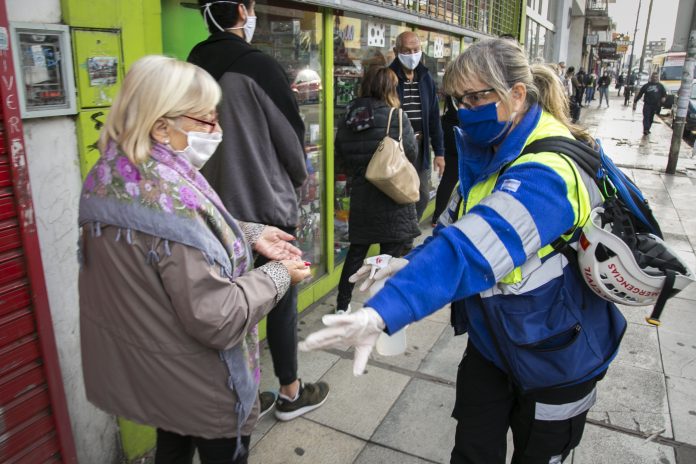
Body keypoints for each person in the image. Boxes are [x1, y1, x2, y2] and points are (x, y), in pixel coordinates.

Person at [300, 38, 627, 464]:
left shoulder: (549, 171)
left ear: (516, 95)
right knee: (472, 452)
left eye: (476, 97)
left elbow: (474, 249)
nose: (464, 109)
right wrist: (406, 264)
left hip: (558, 354)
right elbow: (451, 232)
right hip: (494, 344)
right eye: (457, 99)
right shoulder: (489, 151)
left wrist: (386, 311)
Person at [79, 55, 312, 464]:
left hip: (154, 367)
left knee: (171, 443)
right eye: (206, 121)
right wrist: (279, 274)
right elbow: (216, 315)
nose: (217, 131)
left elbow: (168, 244)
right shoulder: (170, 199)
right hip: (200, 380)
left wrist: (250, 233)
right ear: (161, 126)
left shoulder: (113, 174)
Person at [188, 0, 329, 422]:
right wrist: (299, 181)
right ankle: (290, 391)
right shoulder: (259, 66)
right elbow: (291, 141)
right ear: (245, 11)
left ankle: (239, 398)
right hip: (264, 208)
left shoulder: (190, 68)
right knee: (280, 297)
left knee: (228, 307)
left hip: (211, 211)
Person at [333, 66, 420, 314]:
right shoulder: (396, 116)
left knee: (356, 253)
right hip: (393, 196)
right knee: (388, 256)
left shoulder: (348, 117)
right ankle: (381, 308)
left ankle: (342, 306)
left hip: (361, 195)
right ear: (390, 89)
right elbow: (411, 154)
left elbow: (342, 155)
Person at [389, 31, 445, 222]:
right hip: (397, 148)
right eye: (407, 50)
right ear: (397, 51)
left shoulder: (426, 78)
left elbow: (434, 118)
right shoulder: (390, 78)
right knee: (399, 195)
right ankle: (401, 239)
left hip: (420, 147)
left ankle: (409, 234)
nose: (412, 54)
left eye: (416, 50)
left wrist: (439, 152)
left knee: (421, 194)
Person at [431, 94, 460, 226]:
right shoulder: (464, 86)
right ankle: (439, 216)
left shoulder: (452, 84)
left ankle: (437, 216)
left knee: (448, 178)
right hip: (459, 132)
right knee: (451, 178)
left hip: (449, 130)